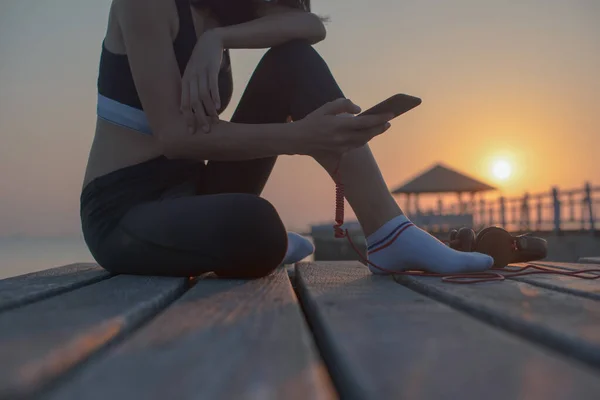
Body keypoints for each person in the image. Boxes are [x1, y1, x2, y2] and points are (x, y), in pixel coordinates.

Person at [81, 0, 494, 278]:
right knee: (257, 226)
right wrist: (302, 136)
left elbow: (309, 25)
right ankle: (259, 240)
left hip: (194, 189)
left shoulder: (221, 18)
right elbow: (174, 136)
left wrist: (218, 39)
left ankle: (389, 233)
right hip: (122, 211)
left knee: (293, 58)